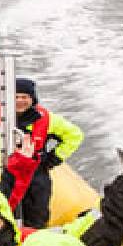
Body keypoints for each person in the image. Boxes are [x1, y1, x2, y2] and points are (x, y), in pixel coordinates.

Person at [8, 77, 85, 228]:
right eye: (16, 97)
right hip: (6, 172)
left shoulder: (48, 120)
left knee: (37, 213)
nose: (20, 101)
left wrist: (53, 158)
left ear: (32, 99)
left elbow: (75, 135)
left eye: (24, 97)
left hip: (36, 174)